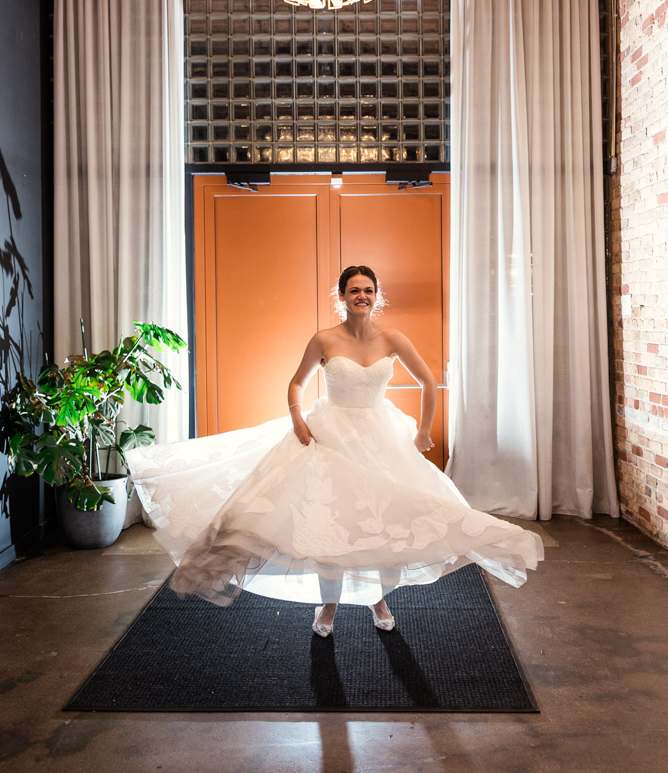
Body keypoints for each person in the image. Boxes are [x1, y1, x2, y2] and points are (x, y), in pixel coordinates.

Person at [128, 265, 543, 637]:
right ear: (341, 296)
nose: (361, 296)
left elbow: (429, 383)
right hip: (330, 434)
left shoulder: (393, 337)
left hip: (382, 436)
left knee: (387, 520)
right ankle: (328, 605)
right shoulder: (324, 338)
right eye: (353, 290)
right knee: (331, 522)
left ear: (376, 296)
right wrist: (297, 419)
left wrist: (423, 433)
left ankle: (378, 599)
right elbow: (296, 383)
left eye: (368, 290)